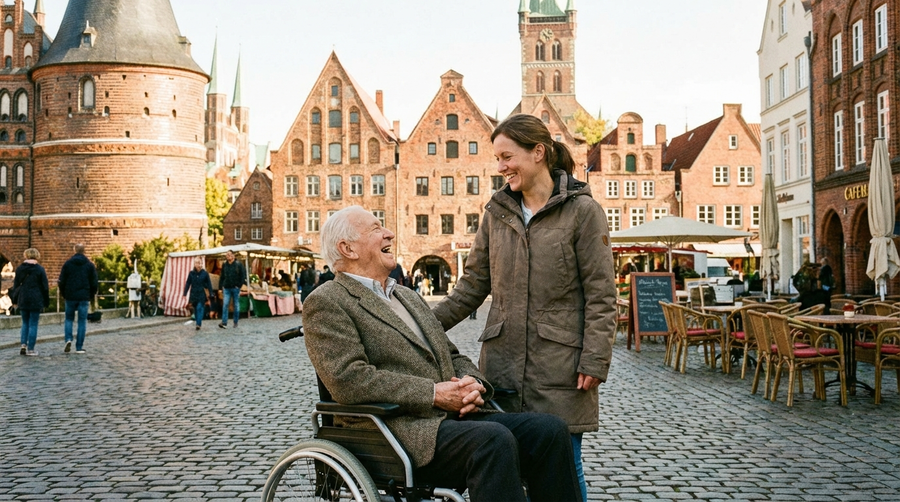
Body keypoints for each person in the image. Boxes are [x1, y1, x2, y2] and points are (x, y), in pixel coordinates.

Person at [303, 206, 581, 502]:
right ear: (348, 249)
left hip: (449, 421)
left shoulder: (406, 296)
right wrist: (433, 394)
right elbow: (349, 380)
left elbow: (450, 353)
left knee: (549, 430)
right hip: (396, 430)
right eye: (375, 229)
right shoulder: (328, 301)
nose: (389, 233)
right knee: (493, 441)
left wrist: (474, 384)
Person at [431, 113, 617, 501]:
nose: (501, 168)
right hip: (503, 365)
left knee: (565, 466)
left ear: (538, 153)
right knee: (511, 468)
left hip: (561, 368)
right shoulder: (496, 213)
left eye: (507, 157)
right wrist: (417, 325)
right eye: (497, 159)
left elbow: (601, 294)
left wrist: (595, 358)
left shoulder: (583, 212)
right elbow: (472, 286)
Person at [58, 243, 99, 354]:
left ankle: (68, 339)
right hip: (84, 296)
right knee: (82, 321)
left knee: (68, 319)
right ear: (84, 251)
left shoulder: (68, 264)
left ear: (74, 250)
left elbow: (61, 281)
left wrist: (64, 294)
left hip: (70, 296)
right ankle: (79, 347)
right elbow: (94, 283)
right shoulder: (89, 265)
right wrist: (90, 295)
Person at [14, 248, 50, 356]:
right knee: (33, 324)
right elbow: (45, 287)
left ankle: (23, 344)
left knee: (25, 323)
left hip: (23, 298)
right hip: (36, 298)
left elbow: (16, 285)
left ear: (26, 256)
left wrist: (15, 300)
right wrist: (46, 301)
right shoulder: (39, 269)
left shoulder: (20, 269)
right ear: (37, 256)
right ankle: (31, 349)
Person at [183, 257, 213, 331]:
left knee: (200, 307)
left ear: (201, 264)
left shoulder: (205, 273)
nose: (198, 264)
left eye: (199, 263)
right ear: (194, 264)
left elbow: (209, 284)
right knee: (196, 309)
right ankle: (197, 321)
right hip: (193, 293)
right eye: (196, 263)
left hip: (201, 293)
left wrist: (211, 293)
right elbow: (188, 283)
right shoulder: (191, 273)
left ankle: (198, 324)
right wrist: (185, 293)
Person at [218, 250, 246, 329]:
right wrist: (220, 287)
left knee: (236, 305)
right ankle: (224, 322)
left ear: (233, 255)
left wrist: (239, 285)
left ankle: (235, 321)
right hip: (227, 288)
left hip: (235, 288)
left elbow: (243, 276)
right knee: (225, 304)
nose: (228, 256)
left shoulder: (238, 264)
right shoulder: (225, 265)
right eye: (227, 255)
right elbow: (222, 276)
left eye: (230, 254)